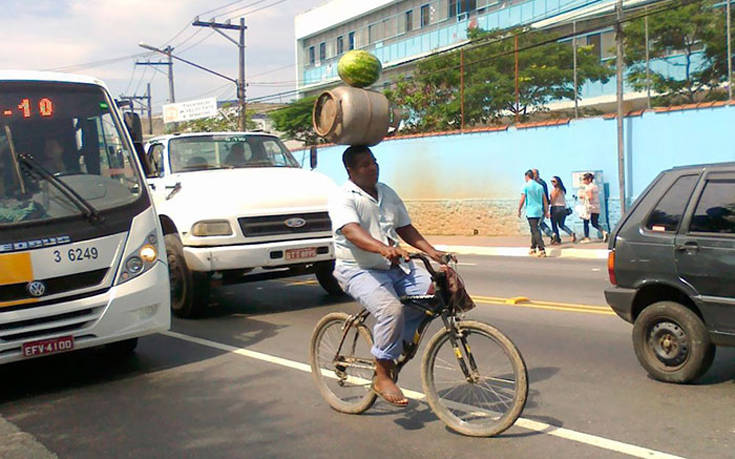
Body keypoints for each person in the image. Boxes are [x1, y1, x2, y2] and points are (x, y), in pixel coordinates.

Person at [328, 145, 451, 408]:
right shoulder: (343, 197)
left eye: (373, 161)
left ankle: (396, 343)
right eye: (364, 165)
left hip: (393, 267)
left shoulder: (386, 192)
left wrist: (433, 253)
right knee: (391, 309)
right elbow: (351, 231)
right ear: (350, 171)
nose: (372, 167)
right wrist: (383, 248)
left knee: (433, 292)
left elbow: (405, 227)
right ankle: (382, 375)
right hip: (357, 269)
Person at [518, 169, 549, 257]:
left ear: (527, 176)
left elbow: (522, 199)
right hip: (539, 211)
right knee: (534, 229)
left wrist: (519, 209)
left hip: (531, 211)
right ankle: (532, 248)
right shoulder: (540, 186)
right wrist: (546, 211)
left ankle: (542, 249)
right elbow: (545, 200)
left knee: (535, 230)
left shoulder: (526, 186)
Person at [580, 172, 608, 243]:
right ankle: (603, 232)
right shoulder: (595, 186)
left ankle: (587, 237)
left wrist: (583, 196)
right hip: (596, 207)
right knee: (594, 223)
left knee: (585, 222)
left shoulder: (589, 187)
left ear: (589, 179)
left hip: (589, 207)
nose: (583, 181)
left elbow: (590, 197)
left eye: (584, 179)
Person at [549, 176, 577, 244]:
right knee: (561, 225)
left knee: (554, 225)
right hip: (563, 208)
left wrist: (547, 203)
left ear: (558, 182)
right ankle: (571, 233)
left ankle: (557, 240)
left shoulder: (555, 190)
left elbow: (552, 201)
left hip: (555, 208)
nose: (552, 183)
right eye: (551, 181)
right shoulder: (563, 190)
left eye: (554, 181)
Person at [532, 168, 555, 243]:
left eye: (533, 174)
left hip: (539, 206)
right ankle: (551, 235)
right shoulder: (542, 182)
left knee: (536, 224)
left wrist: (546, 209)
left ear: (536, 174)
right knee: (540, 223)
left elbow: (543, 196)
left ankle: (539, 241)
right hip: (541, 205)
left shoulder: (538, 184)